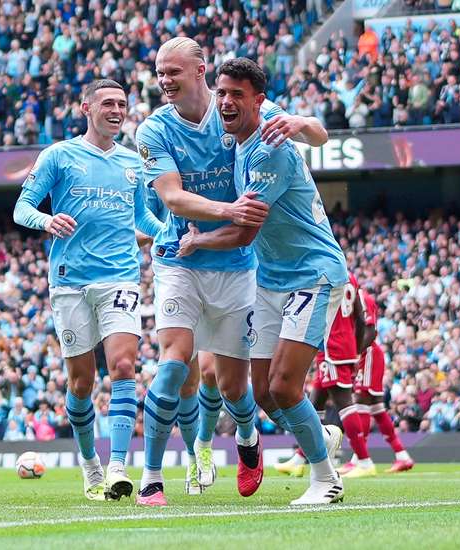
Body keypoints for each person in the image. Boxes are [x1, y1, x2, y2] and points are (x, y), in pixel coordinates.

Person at [133, 37, 329, 506]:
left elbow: (317, 135)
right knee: (174, 361)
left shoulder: (242, 109)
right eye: (159, 72)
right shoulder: (153, 131)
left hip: (240, 266)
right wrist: (230, 210)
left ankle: (247, 440)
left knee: (237, 386)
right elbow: (173, 198)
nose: (164, 80)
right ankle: (152, 477)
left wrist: (303, 122)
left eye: (172, 71)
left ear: (199, 70)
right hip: (179, 257)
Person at [178, 57, 346, 505]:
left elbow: (244, 231)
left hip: (312, 273)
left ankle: (326, 480)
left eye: (237, 94)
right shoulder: (248, 127)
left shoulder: (268, 147)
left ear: (259, 101)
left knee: (286, 386)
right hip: (271, 277)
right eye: (222, 93)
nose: (227, 102)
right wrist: (303, 121)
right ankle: (320, 435)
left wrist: (199, 241)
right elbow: (317, 133)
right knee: (265, 395)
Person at [14, 79, 163, 501]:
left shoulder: (133, 163)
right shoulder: (59, 156)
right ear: (87, 108)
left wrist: (173, 231)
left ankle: (118, 465)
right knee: (81, 383)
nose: (117, 110)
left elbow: (144, 221)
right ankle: (90, 464)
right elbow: (22, 208)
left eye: (122, 104)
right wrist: (46, 221)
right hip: (69, 281)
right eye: (108, 104)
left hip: (119, 276)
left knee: (123, 367)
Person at [277, 270, 373, 478]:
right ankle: (300, 457)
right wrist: (355, 351)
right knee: (315, 401)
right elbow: (361, 320)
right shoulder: (352, 278)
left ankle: (364, 460)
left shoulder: (326, 275)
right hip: (346, 346)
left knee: (343, 402)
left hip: (332, 347)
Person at [355, 289, 414, 472]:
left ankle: (359, 459)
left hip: (368, 354)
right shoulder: (355, 297)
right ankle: (402, 456)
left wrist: (355, 354)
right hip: (368, 354)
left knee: (361, 403)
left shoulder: (361, 298)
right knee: (377, 410)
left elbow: (370, 332)